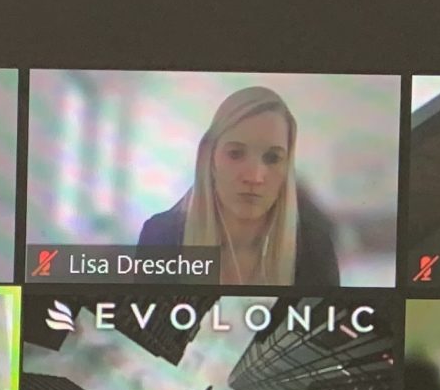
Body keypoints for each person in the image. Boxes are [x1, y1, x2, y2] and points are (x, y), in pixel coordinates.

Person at [135, 86, 343, 287]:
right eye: (235, 154)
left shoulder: (313, 246)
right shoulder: (162, 237)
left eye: (273, 158)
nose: (254, 177)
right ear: (210, 158)